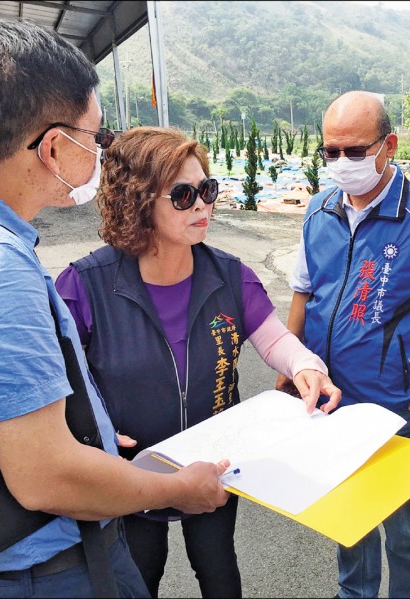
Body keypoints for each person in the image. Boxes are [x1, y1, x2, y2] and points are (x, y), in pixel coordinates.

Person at [0, 18, 230, 598]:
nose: (102, 155)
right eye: (96, 139)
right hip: (40, 571)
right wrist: (176, 490)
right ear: (54, 147)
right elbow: (45, 475)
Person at [54, 126, 342, 598]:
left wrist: (306, 366)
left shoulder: (229, 275)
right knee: (138, 575)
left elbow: (274, 340)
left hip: (215, 461)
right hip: (132, 471)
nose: (203, 206)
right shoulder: (86, 285)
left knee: (219, 572)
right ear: (138, 200)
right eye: (184, 195)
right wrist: (89, 427)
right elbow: (57, 376)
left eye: (207, 190)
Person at [277, 90, 410, 599]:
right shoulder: (319, 211)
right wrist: (291, 365)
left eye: (355, 151)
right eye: (331, 152)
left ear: (388, 145)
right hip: (329, 401)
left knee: (403, 531)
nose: (341, 163)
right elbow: (303, 293)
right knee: (346, 518)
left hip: (397, 404)